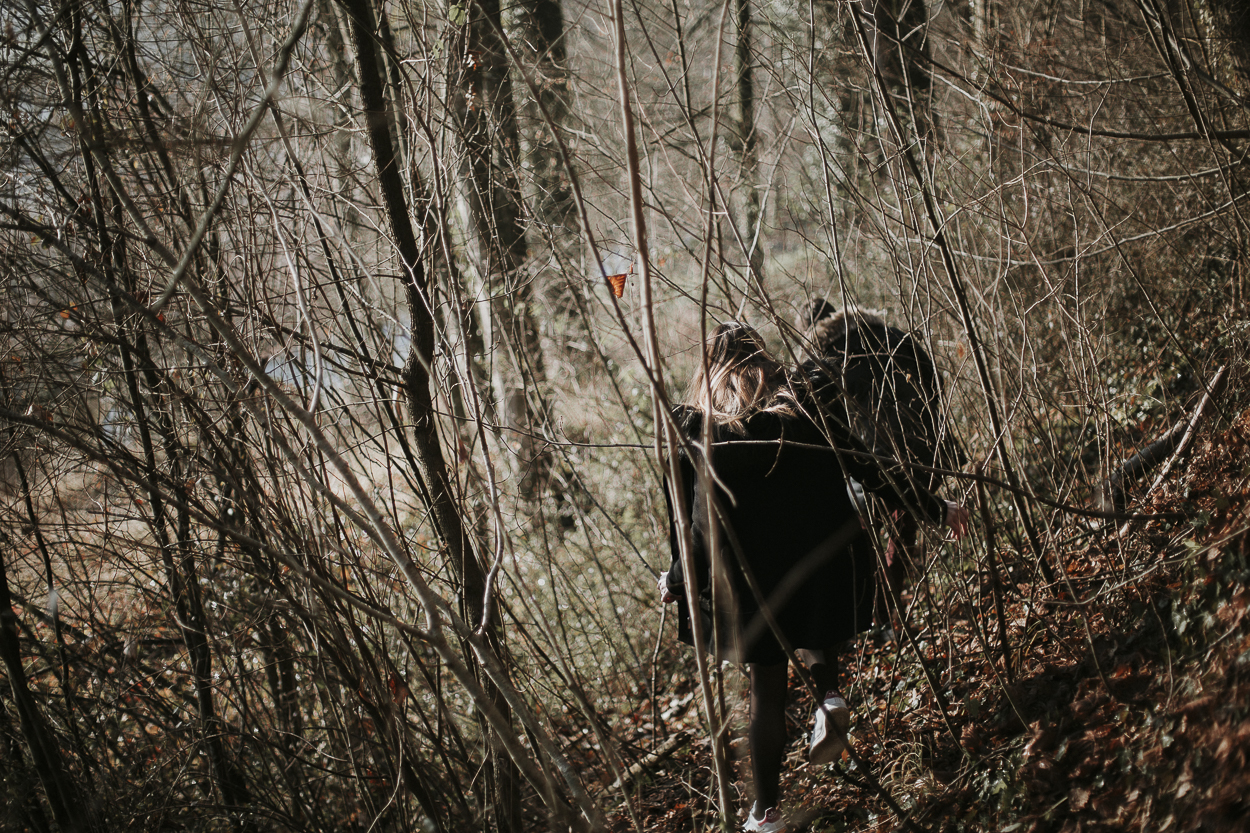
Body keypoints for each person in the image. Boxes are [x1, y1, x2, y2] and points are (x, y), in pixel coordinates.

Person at [660, 322, 968, 833]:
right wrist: (935, 507)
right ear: (766, 361)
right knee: (813, 617)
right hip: (819, 564)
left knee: (767, 691)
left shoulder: (695, 431)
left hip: (748, 582)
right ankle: (829, 696)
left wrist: (676, 579)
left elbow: (694, 526)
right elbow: (870, 468)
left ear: (709, 372)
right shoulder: (806, 409)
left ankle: (766, 814)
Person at [799, 301, 963, 635]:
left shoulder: (822, 363)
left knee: (865, 546)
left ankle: (879, 620)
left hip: (875, 467)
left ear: (810, 330)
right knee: (900, 540)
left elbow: (820, 430)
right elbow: (934, 379)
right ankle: (887, 616)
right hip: (926, 455)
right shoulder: (894, 337)